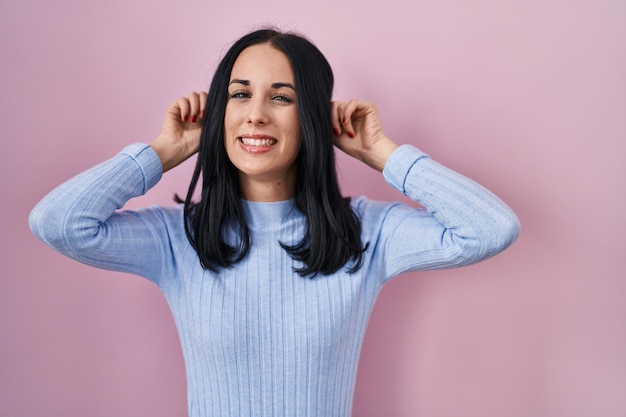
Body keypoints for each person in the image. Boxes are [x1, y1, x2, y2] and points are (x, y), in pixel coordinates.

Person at [29, 28, 520, 417]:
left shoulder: (369, 232)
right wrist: (164, 151)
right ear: (219, 112)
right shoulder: (177, 238)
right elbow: (58, 222)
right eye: (240, 96)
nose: (256, 115)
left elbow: (491, 228)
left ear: (310, 115)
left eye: (281, 98)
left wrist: (383, 155)